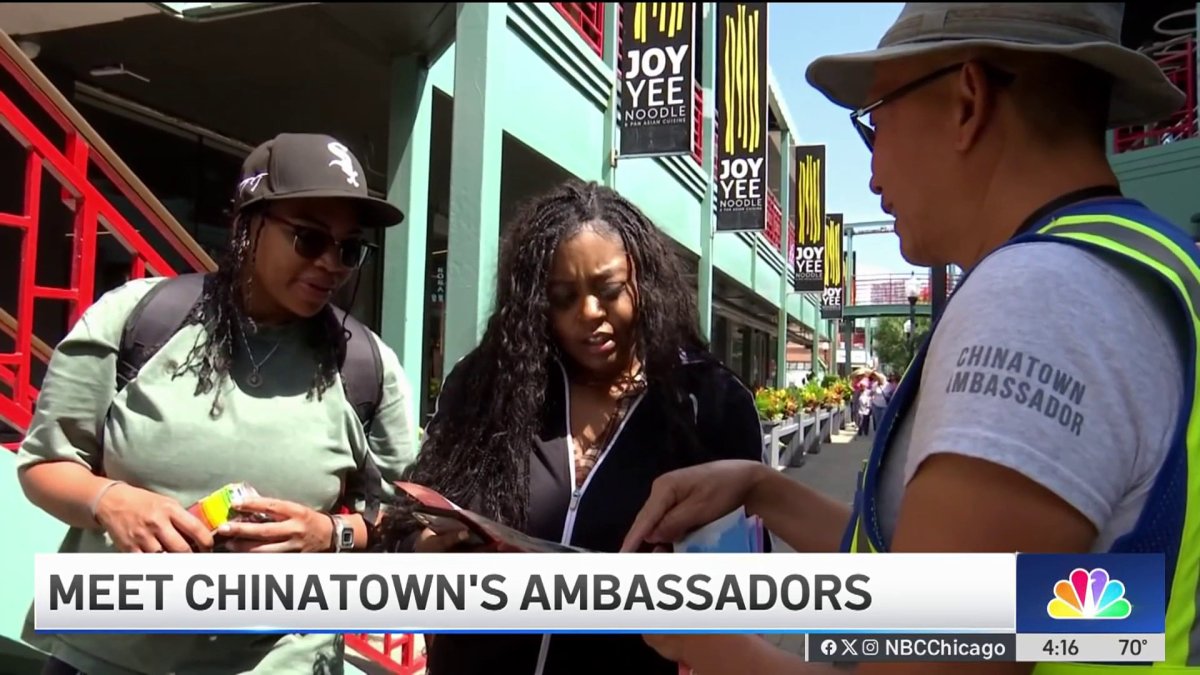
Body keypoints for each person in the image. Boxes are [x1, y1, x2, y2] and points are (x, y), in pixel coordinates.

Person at [620, 4, 1198, 674]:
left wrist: (706, 643)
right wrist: (762, 489)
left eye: (876, 123)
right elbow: (1057, 610)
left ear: (967, 101)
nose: (871, 175)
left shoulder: (1039, 297)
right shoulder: (1148, 264)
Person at [16, 133, 417, 675]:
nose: (332, 264)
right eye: (309, 239)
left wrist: (332, 534)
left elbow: (407, 517)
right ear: (247, 226)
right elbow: (45, 464)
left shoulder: (364, 366)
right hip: (105, 655)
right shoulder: (140, 320)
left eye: (348, 249)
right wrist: (111, 502)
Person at [380, 180, 767, 675]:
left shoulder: (711, 404)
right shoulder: (487, 385)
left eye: (608, 291)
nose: (589, 314)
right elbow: (410, 524)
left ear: (644, 284)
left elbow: (746, 591)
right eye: (563, 298)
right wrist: (428, 547)